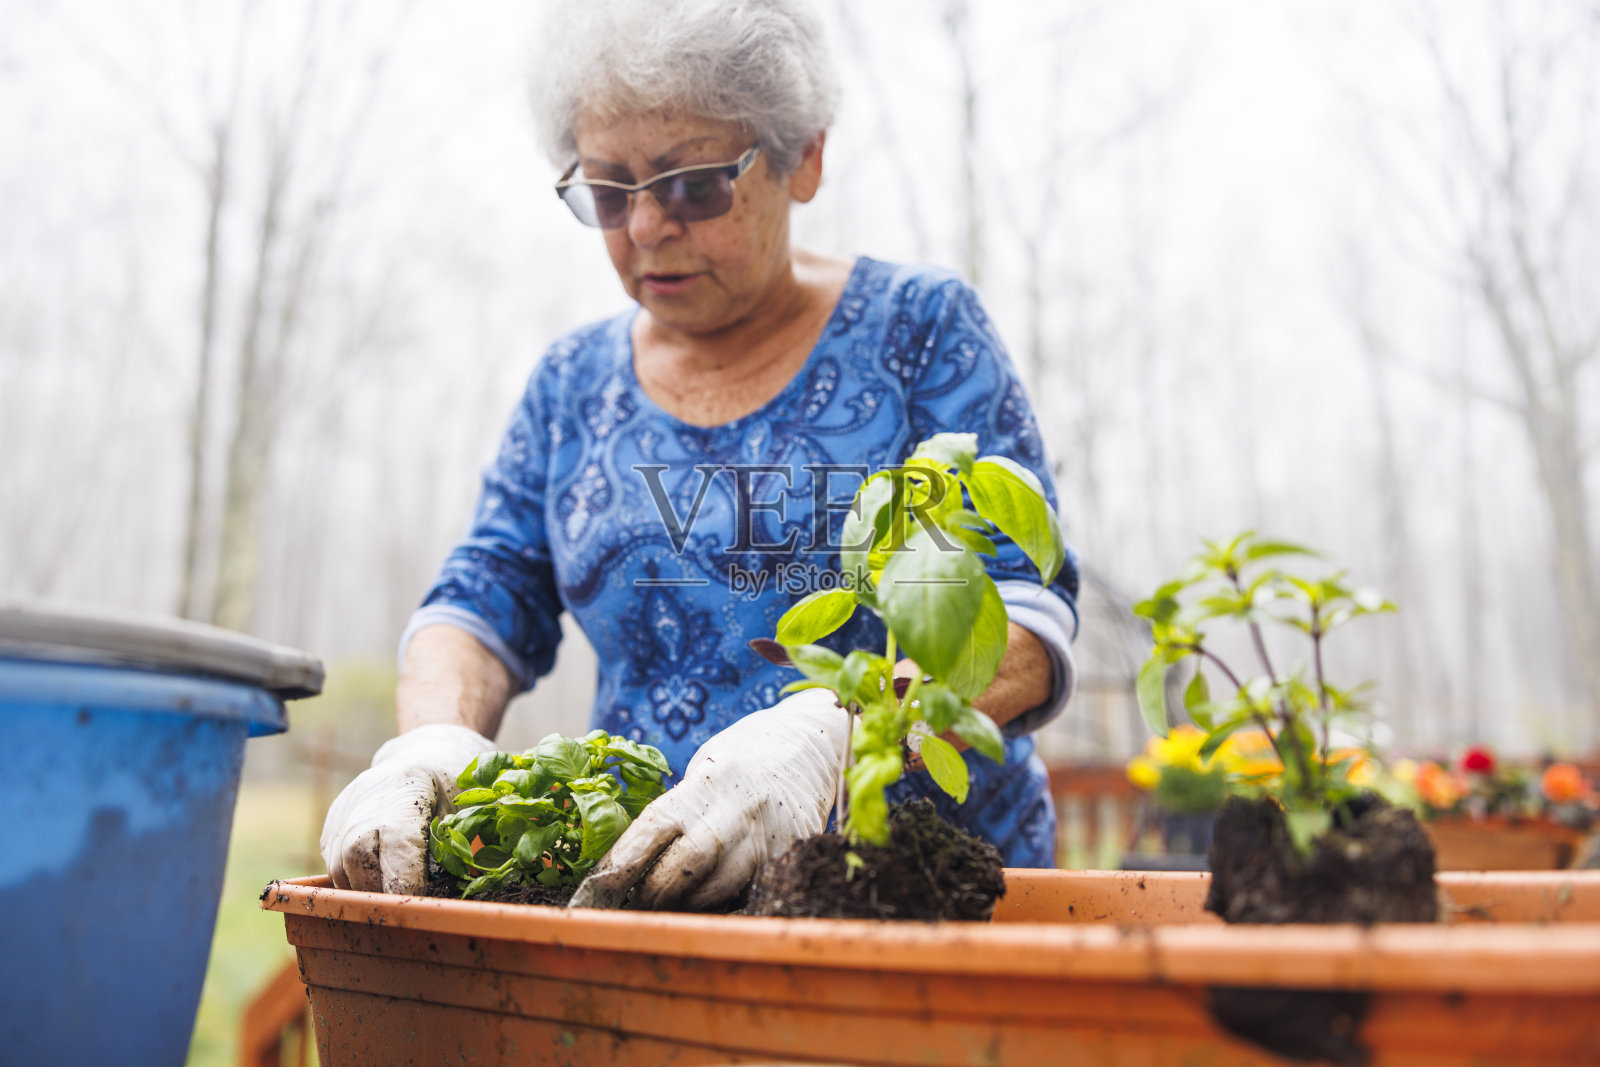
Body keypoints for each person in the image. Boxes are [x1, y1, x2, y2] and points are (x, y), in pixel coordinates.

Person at [320, 0, 1081, 910]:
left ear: (804, 158)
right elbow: (480, 601)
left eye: (690, 185)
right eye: (608, 190)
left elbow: (1025, 620)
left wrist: (836, 733)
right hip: (656, 899)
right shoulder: (573, 386)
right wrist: (431, 745)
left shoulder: (919, 333)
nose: (645, 227)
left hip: (918, 897)